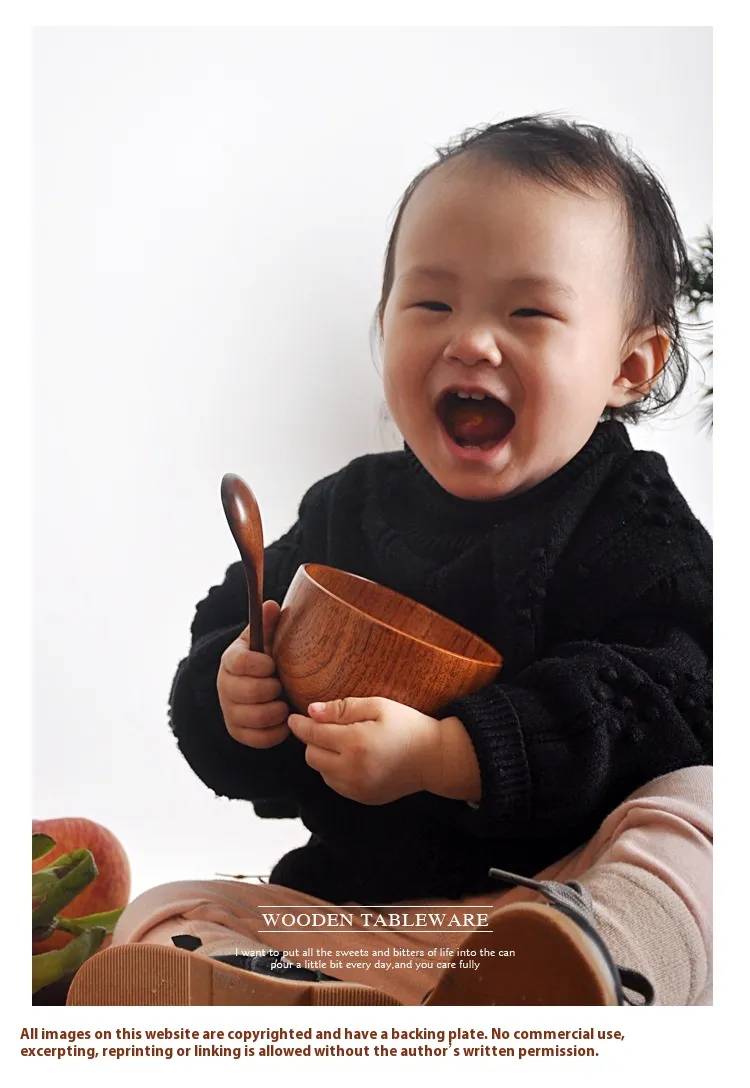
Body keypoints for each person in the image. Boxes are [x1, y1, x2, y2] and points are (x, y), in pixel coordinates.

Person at [67, 114, 712, 1007]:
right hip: (362, 920)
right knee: (170, 909)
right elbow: (234, 629)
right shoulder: (350, 510)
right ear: (385, 324)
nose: (471, 340)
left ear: (630, 365)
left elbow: (677, 699)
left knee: (707, 812)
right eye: (432, 305)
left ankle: (592, 980)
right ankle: (325, 1010)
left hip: (566, 902)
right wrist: (235, 694)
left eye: (528, 312)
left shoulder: (635, 522)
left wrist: (456, 754)